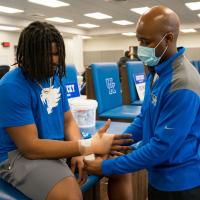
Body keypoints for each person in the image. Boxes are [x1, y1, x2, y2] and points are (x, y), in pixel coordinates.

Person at [0, 21, 132, 200]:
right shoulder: (11, 86)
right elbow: (30, 147)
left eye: (56, 54)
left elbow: (68, 120)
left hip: (55, 147)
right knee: (70, 195)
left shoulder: (53, 76)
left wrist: (79, 150)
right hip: (18, 156)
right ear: (29, 55)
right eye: (47, 55)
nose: (54, 60)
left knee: (119, 166)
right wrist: (86, 147)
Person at [85, 5, 200, 200]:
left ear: (169, 38)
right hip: (158, 177)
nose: (141, 48)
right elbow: (144, 118)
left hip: (181, 185)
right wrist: (116, 142)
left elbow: (161, 148)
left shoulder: (183, 83)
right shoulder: (156, 71)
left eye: (146, 42)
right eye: (139, 40)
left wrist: (106, 167)